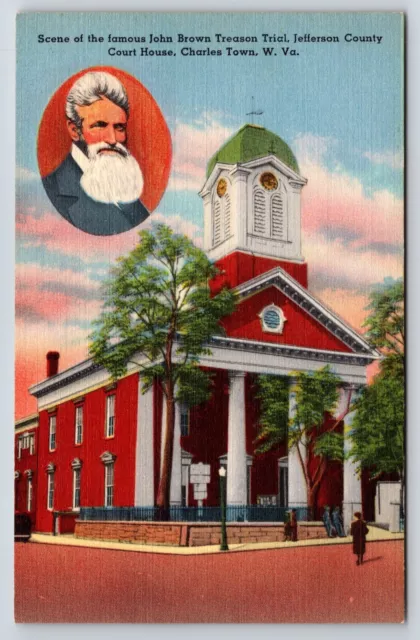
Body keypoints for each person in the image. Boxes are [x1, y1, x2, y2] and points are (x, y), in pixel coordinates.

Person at [42, 71, 149, 236]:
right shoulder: (53, 190)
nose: (113, 139)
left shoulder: (129, 194)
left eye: (119, 127)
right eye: (100, 125)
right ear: (74, 130)